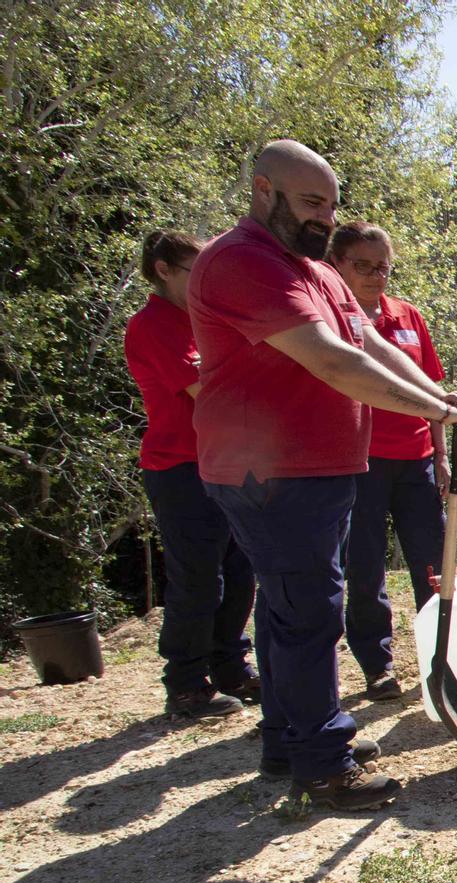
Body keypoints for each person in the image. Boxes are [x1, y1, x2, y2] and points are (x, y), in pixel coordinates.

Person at [189, 139, 457, 811]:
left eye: (331, 204)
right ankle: (324, 764)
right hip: (269, 471)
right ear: (264, 190)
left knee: (286, 606)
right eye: (311, 201)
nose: (325, 217)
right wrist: (435, 408)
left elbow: (371, 344)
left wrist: (442, 394)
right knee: (309, 614)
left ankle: (288, 739)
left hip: (313, 468)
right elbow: (332, 362)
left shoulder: (315, 271)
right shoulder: (243, 263)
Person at [125, 229, 258, 722]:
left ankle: (230, 666)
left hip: (228, 462)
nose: (208, 280)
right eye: (196, 269)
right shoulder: (153, 325)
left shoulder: (207, 319)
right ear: (163, 270)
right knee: (199, 578)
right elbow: (211, 390)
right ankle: (185, 684)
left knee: (240, 570)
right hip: (180, 467)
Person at [326, 222, 447, 702]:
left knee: (434, 563)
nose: (377, 276)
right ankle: (377, 665)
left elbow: (432, 386)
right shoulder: (330, 322)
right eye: (364, 266)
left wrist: (440, 453)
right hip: (359, 461)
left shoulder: (408, 316)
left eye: (384, 267)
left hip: (416, 459)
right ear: (337, 265)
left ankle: (440, 656)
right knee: (365, 566)